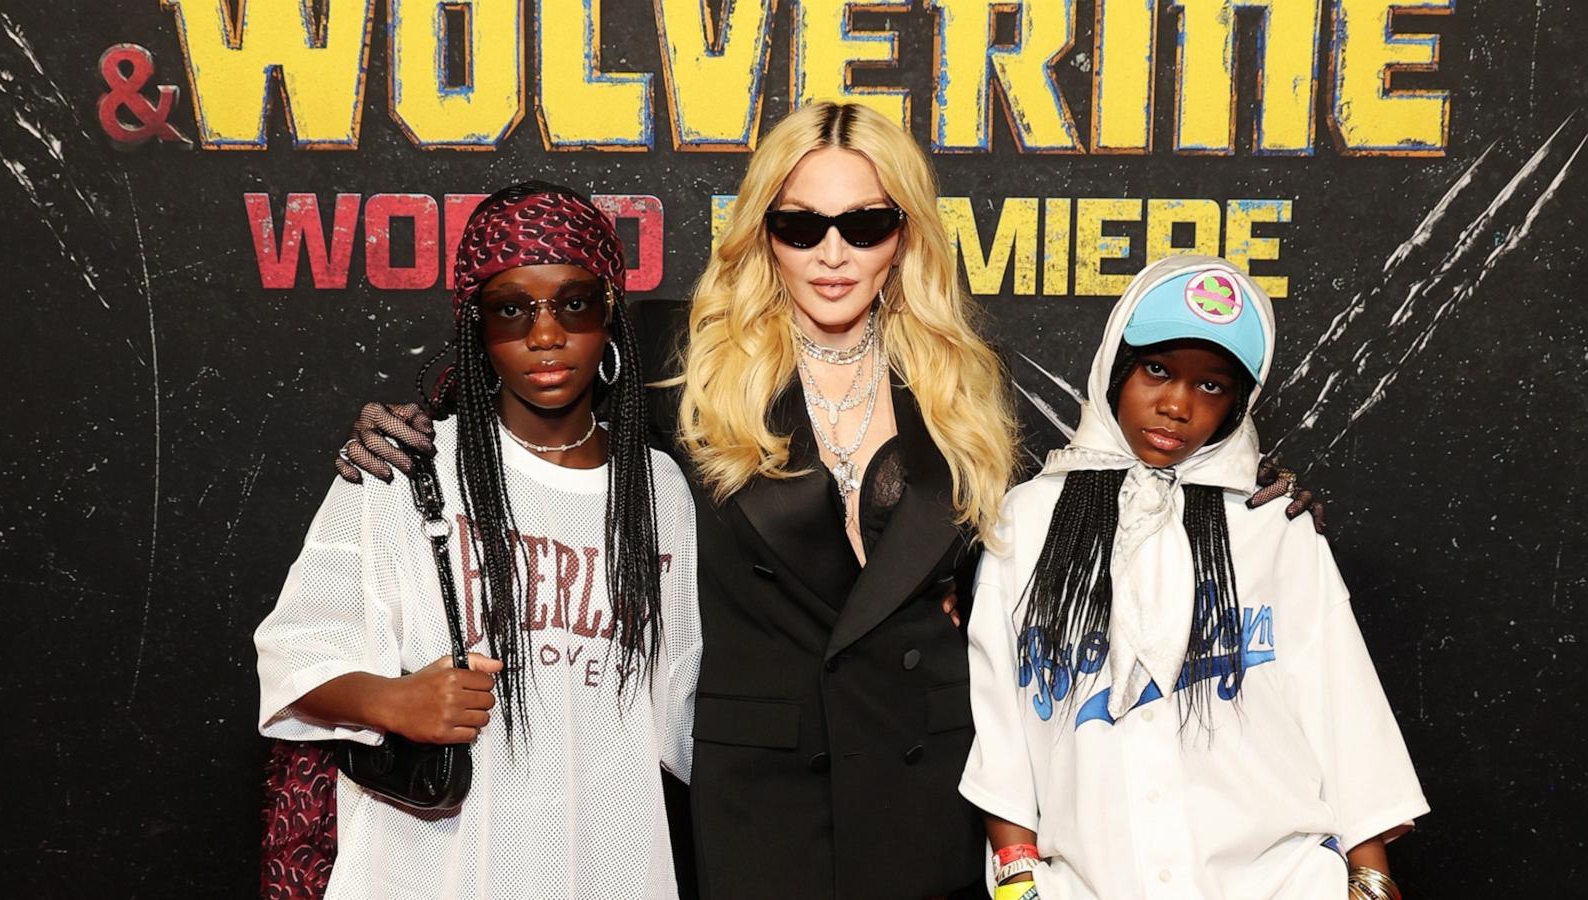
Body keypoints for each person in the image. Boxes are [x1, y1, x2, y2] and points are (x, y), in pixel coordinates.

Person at [334, 104, 1325, 898]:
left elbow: (1057, 543)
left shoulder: (961, 382)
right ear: (764, 229)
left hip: (925, 774)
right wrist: (416, 420)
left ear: (904, 235)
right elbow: (527, 390)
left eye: (866, 223)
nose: (833, 252)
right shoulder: (673, 359)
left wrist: (1225, 493)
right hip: (757, 786)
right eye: (802, 224)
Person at [255, 183, 702, 899]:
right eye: (512, 308)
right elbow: (293, 654)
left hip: (606, 860)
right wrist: (392, 701)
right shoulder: (404, 469)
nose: (546, 333)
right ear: (476, 325)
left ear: (610, 311)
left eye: (573, 302)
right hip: (432, 866)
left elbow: (685, 704)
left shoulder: (660, 490)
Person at [960, 256, 1426, 900]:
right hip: (1092, 883)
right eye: (1156, 369)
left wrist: (1370, 878)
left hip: (1279, 882)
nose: (1177, 405)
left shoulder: (1272, 519)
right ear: (1116, 365)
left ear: (1240, 402)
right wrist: (1018, 877)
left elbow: (1339, 702)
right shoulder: (1031, 517)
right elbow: (1000, 714)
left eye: (1212, 386)